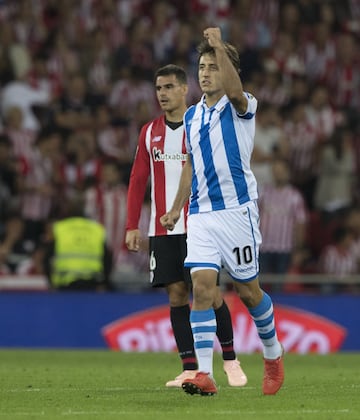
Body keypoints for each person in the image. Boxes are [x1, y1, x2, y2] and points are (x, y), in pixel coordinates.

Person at [160, 28, 284, 396]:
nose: (204, 73)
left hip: (237, 214)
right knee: (201, 287)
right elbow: (190, 165)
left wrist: (218, 44)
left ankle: (273, 354)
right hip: (201, 215)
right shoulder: (193, 117)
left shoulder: (242, 105)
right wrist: (176, 207)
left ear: (227, 69)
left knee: (249, 293)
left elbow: (233, 90)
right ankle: (204, 373)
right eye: (201, 66)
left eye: (213, 66)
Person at [125, 63, 247, 388]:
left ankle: (231, 358)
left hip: (200, 224)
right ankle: (189, 367)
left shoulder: (200, 124)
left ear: (183, 89)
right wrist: (131, 224)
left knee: (208, 292)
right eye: (158, 88)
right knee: (177, 295)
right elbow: (138, 179)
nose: (162, 94)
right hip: (162, 228)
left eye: (168, 87)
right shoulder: (149, 132)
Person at [44, 195, 112, 291]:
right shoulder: (96, 229)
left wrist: (51, 282)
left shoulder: (59, 228)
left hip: (65, 286)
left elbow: (47, 258)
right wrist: (104, 282)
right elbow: (107, 259)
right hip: (92, 285)